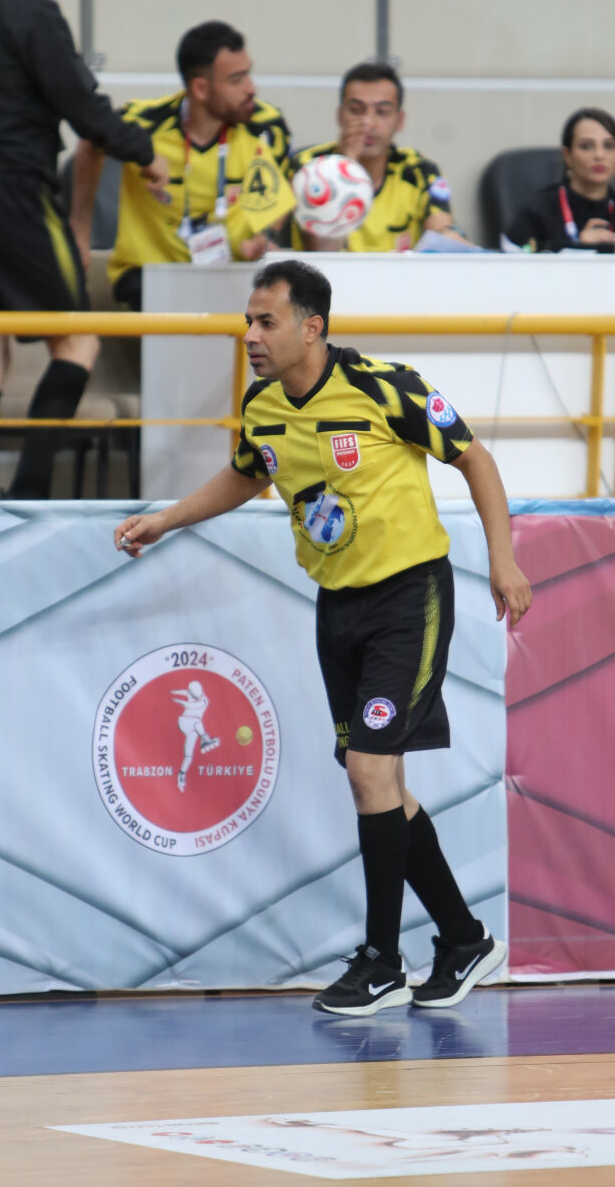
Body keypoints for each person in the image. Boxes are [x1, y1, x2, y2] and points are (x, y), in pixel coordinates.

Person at [114, 259, 532, 1018]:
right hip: (336, 606)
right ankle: (464, 939)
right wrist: (167, 519)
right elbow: (248, 475)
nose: (250, 336)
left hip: (409, 597)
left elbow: (475, 458)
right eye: (248, 321)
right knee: (379, 782)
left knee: (370, 770)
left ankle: (382, 962)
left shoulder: (384, 386)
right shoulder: (263, 404)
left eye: (265, 321)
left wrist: (503, 559)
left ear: (312, 327)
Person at [0, 0, 169, 500]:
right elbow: (80, 102)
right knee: (78, 342)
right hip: (12, 189)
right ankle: (27, 491)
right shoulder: (29, 10)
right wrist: (142, 151)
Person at [71, 21, 295, 312]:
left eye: (248, 74)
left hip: (231, 274)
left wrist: (262, 239)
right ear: (200, 88)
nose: (251, 89)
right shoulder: (145, 123)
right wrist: (80, 231)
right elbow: (90, 143)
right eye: (236, 80)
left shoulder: (267, 126)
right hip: (150, 275)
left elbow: (277, 199)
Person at [288, 61, 474, 253]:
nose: (368, 122)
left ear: (399, 121)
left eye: (382, 112)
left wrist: (454, 238)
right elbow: (322, 251)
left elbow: (442, 234)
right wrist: (346, 164)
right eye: (356, 110)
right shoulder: (308, 167)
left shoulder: (418, 170)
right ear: (340, 116)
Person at [504, 107, 615, 252]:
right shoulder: (534, 212)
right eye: (586, 146)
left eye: (609, 146)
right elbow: (510, 262)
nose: (599, 155)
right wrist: (578, 248)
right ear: (567, 155)